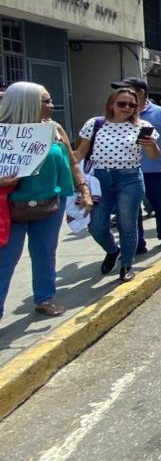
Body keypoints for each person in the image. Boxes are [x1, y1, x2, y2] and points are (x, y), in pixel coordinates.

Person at [0, 83, 92, 320]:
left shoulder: (54, 129)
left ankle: (44, 299)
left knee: (44, 252)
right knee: (6, 259)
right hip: (11, 206)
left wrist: (84, 190)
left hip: (52, 202)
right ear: (26, 103)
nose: (52, 106)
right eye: (46, 101)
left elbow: (72, 163)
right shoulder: (3, 132)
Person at [74, 87, 160, 282]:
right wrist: (73, 177)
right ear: (111, 104)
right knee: (96, 226)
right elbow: (79, 153)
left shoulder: (142, 126)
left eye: (132, 104)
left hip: (129, 179)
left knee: (127, 224)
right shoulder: (95, 124)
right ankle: (112, 250)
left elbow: (154, 156)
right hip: (100, 179)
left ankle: (127, 263)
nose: (127, 107)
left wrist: (151, 145)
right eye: (122, 103)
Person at [111, 78, 161, 252]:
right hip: (129, 171)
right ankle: (137, 243)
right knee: (131, 211)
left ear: (140, 92)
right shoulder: (121, 113)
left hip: (156, 169)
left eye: (127, 89)